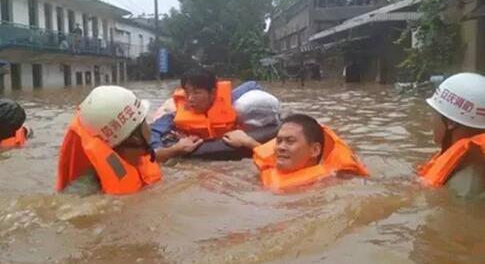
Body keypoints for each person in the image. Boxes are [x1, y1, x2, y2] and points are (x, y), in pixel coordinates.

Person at [56, 86, 201, 196]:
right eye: (144, 122)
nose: (149, 126)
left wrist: (176, 150)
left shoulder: (131, 156)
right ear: (135, 137)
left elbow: (149, 158)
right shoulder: (85, 190)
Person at [150, 67, 280, 159]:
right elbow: (153, 138)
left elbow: (252, 85)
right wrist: (174, 150)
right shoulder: (175, 115)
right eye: (187, 92)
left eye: (196, 92)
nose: (190, 98)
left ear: (212, 93)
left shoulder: (230, 101)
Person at [222, 114, 369, 191]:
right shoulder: (266, 171)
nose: (280, 147)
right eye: (278, 141)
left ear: (315, 150)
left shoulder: (328, 183)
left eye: (290, 141)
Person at [418, 73, 485, 198]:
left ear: (450, 122)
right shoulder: (473, 164)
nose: (431, 120)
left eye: (435, 114)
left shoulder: (464, 187)